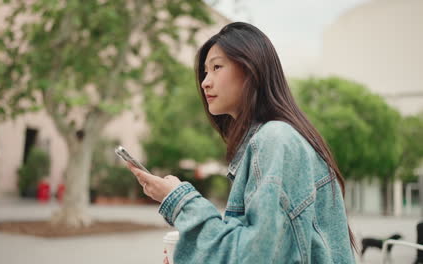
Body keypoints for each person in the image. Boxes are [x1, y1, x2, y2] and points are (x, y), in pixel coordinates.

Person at [127, 22, 356, 263]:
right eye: (205, 72)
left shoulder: (275, 139)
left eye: (216, 67)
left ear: (251, 69)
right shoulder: (273, 139)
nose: (205, 81)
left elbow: (254, 256)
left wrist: (178, 199)